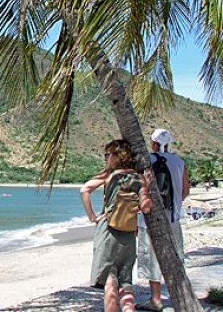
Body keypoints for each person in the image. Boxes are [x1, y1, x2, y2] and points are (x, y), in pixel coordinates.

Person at [81, 139, 152, 312]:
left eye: (107, 155)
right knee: (126, 283)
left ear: (115, 156)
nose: (105, 158)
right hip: (128, 233)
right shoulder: (139, 177)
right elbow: (147, 207)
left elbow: (84, 190)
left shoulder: (109, 175)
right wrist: (146, 187)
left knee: (110, 282)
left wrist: (92, 217)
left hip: (108, 232)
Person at [136, 128, 191, 311]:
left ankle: (156, 299)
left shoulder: (148, 161)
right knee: (175, 256)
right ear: (170, 144)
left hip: (149, 220)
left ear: (152, 143)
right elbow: (185, 191)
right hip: (174, 217)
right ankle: (181, 295)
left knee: (152, 259)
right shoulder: (179, 162)